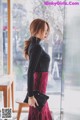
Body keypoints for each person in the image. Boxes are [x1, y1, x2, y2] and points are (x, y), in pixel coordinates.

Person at [24, 18, 52, 120]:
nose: (46, 33)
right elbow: (30, 72)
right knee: (39, 115)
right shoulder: (36, 47)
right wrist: (31, 96)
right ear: (37, 29)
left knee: (41, 114)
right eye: (45, 30)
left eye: (47, 30)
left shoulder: (34, 45)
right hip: (39, 87)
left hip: (40, 87)